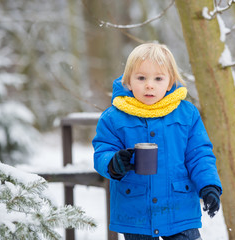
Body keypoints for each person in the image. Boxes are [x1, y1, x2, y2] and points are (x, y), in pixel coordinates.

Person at [92, 43, 222, 240]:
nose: (149, 85)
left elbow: (200, 155)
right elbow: (103, 151)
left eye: (158, 78)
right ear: (128, 81)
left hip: (179, 207)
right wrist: (113, 163)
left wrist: (209, 186)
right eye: (141, 78)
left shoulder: (187, 114)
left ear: (169, 83)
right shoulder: (113, 118)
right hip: (136, 211)